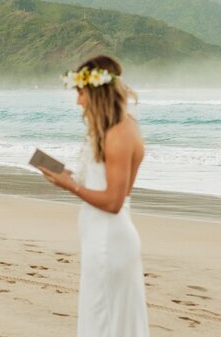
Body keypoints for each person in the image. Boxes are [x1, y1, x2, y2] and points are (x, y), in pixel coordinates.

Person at [39, 55, 150, 337]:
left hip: (108, 242)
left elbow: (114, 201)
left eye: (80, 92)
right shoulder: (117, 129)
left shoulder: (119, 134)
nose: (78, 102)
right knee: (104, 318)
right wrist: (70, 177)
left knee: (103, 320)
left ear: (96, 90)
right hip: (100, 238)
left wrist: (70, 186)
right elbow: (111, 188)